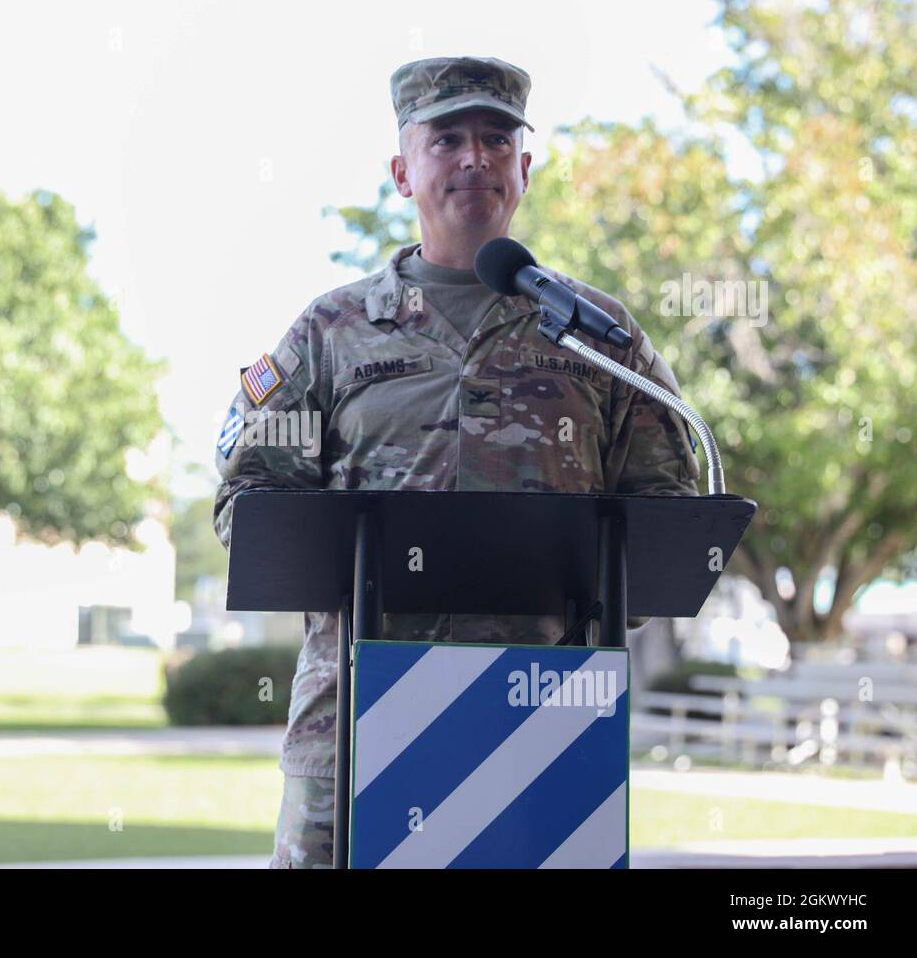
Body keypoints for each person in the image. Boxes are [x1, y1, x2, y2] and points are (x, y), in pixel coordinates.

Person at [212, 57, 700, 868]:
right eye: (448, 140)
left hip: (541, 719)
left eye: (496, 140)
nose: (475, 157)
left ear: (525, 168)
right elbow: (248, 503)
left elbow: (665, 515)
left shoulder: (598, 334)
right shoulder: (329, 332)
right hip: (354, 722)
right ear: (403, 172)